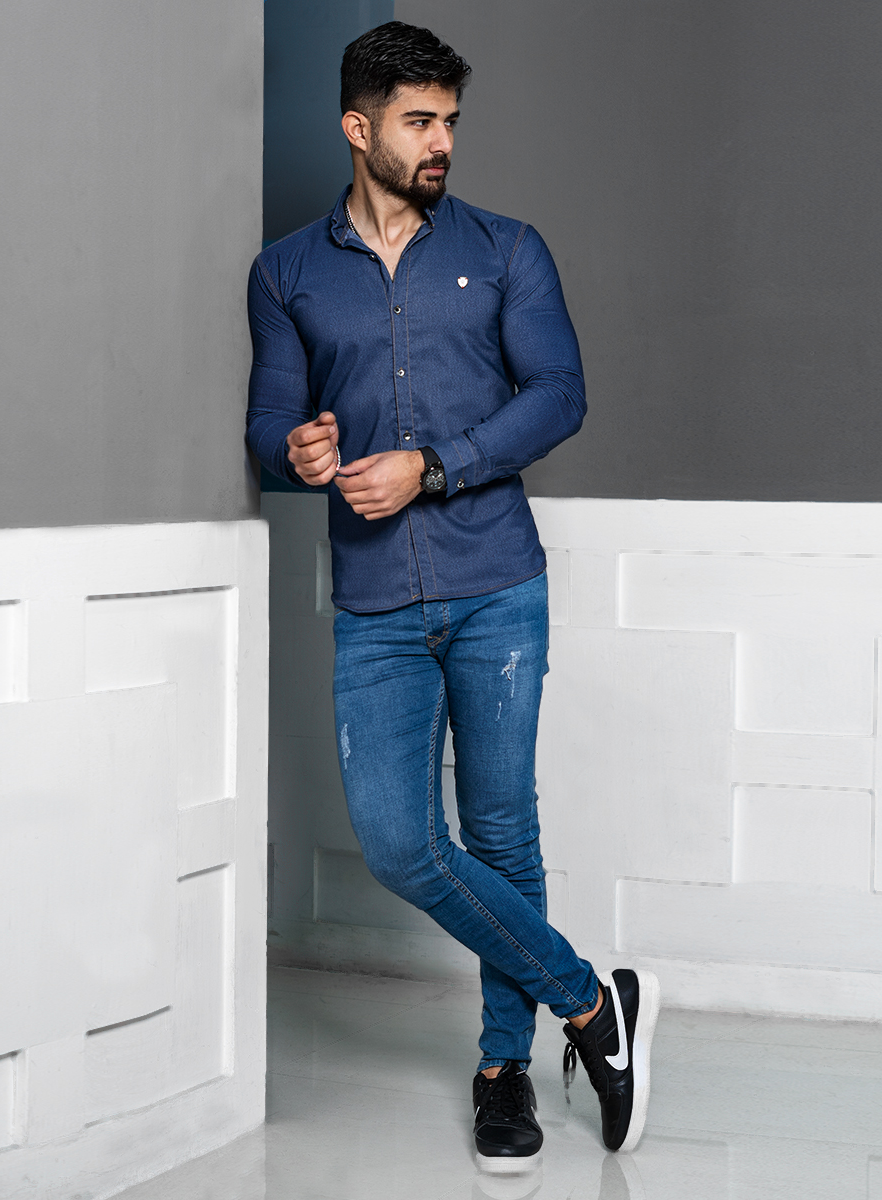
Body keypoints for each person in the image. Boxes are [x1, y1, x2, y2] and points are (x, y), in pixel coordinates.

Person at [246, 20, 660, 1172]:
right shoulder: (286, 272)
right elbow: (270, 420)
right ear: (357, 126)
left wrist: (432, 467)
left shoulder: (508, 249)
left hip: (496, 587)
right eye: (418, 121)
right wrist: (299, 450)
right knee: (398, 842)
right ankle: (593, 1005)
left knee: (501, 831)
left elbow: (559, 393)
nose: (441, 142)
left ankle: (500, 1070)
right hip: (375, 600)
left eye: (450, 122)